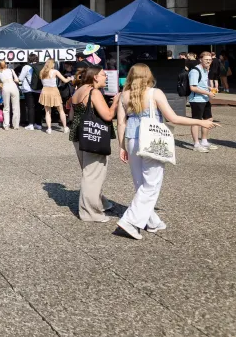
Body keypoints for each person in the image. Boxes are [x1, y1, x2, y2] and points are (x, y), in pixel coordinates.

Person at [115, 64, 220, 239]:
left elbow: (120, 123)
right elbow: (173, 118)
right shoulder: (155, 93)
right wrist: (201, 122)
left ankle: (152, 221)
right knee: (151, 184)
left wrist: (121, 146)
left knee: (141, 183)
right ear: (148, 75)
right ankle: (130, 221)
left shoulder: (124, 96)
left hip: (132, 140)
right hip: (152, 140)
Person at [68, 66, 118, 223]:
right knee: (93, 175)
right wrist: (116, 102)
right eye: (103, 75)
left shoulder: (78, 90)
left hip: (78, 134)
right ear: (95, 77)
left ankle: (101, 202)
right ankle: (90, 212)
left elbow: (71, 114)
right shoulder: (94, 92)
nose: (106, 77)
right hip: (92, 136)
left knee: (89, 172)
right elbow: (108, 115)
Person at [188, 51, 216, 153]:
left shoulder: (205, 70)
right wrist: (208, 93)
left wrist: (210, 88)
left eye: (210, 59)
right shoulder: (195, 71)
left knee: (208, 119)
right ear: (200, 60)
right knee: (196, 121)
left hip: (204, 98)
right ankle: (196, 144)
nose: (208, 61)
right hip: (196, 100)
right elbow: (193, 88)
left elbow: (201, 84)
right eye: (206, 59)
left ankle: (204, 141)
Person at [39, 58, 71, 134]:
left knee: (47, 111)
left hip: (45, 91)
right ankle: (65, 127)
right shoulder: (55, 71)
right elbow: (65, 80)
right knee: (61, 110)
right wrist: (69, 78)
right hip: (54, 91)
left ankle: (49, 129)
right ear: (52, 64)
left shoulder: (42, 72)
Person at [0, 60, 21, 129]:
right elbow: (17, 80)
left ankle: (6, 125)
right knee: (16, 107)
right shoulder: (11, 70)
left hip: (5, 86)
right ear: (6, 65)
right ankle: (16, 125)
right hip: (13, 86)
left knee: (6, 107)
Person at [19, 54, 41, 130]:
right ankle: (38, 124)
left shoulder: (26, 67)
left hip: (28, 89)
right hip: (38, 89)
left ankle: (31, 124)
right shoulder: (40, 66)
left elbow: (20, 78)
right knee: (38, 107)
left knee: (30, 107)